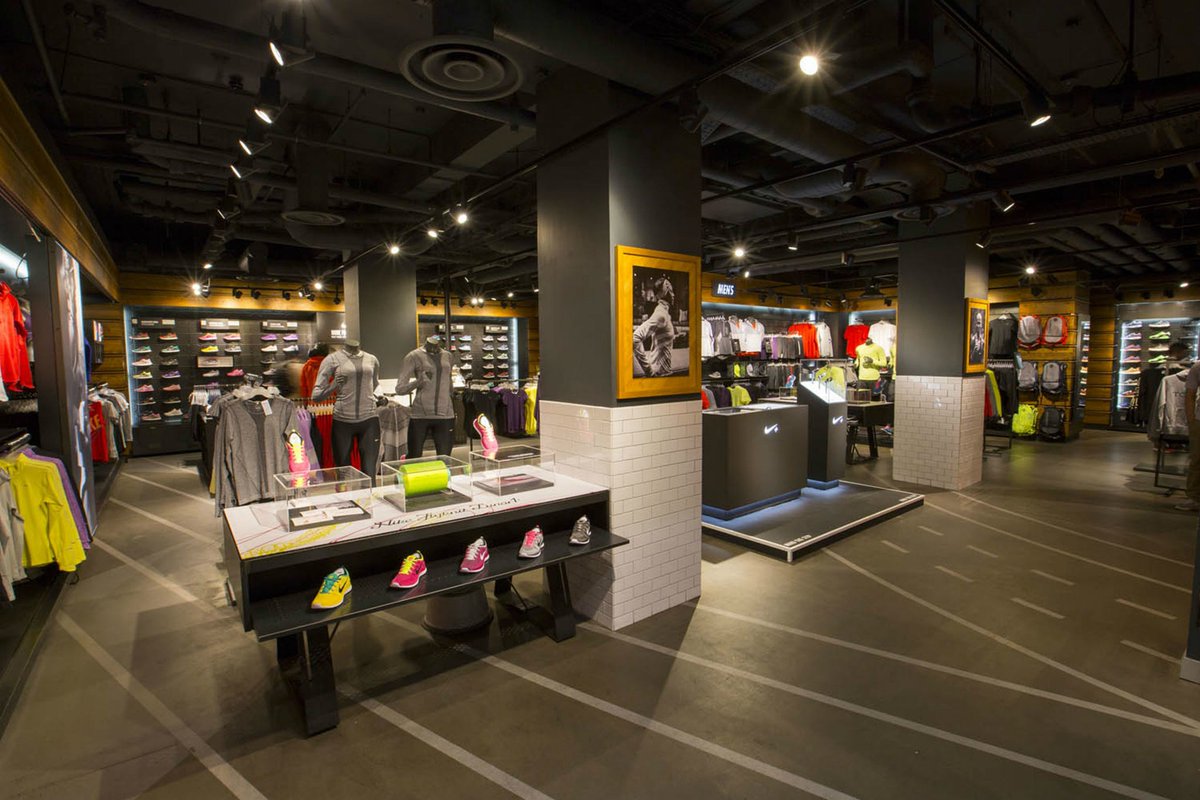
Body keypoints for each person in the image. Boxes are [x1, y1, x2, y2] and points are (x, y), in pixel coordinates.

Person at [632, 276, 677, 377]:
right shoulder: (661, 314)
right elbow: (635, 338)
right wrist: (649, 372)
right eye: (668, 288)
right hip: (659, 376)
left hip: (664, 375)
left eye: (671, 289)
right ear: (661, 294)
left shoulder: (664, 313)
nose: (673, 294)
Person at [1179, 358, 1200, 511]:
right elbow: (1190, 395)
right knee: (1197, 459)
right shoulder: (1197, 367)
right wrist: (1191, 420)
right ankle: (1194, 497)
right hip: (1199, 420)